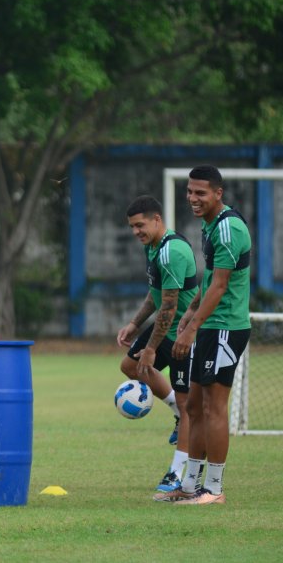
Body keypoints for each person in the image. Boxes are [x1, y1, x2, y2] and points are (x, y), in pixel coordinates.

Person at [162, 165, 252, 505]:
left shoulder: (228, 229)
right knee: (195, 406)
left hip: (226, 327)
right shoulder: (210, 225)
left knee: (214, 407)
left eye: (200, 192)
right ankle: (189, 487)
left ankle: (213, 489)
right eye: (189, 191)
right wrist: (189, 314)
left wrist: (191, 328)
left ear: (218, 193)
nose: (192, 198)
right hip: (210, 325)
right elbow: (209, 278)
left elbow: (221, 285)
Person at [117, 195, 197, 496]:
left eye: (141, 225)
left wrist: (151, 348)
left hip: (184, 334)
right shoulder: (153, 248)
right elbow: (155, 295)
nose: (137, 231)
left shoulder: (173, 251)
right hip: (167, 325)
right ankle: (175, 407)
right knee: (129, 366)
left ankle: (177, 474)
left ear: (157, 220)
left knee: (191, 406)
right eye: (132, 227)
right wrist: (135, 324)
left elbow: (170, 305)